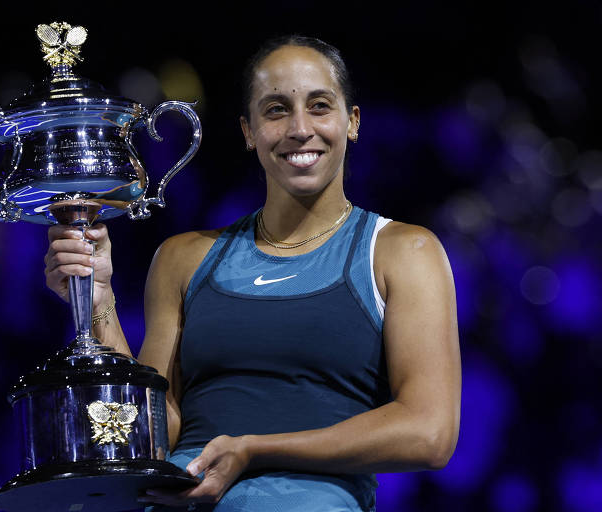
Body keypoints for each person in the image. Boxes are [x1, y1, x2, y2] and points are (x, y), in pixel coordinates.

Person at [44, 35, 461, 511]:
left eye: (320, 106)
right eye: (276, 109)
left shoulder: (403, 252)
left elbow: (430, 433)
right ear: (248, 130)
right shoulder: (184, 258)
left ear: (353, 122)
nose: (300, 128)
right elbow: (149, 436)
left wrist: (253, 449)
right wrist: (99, 300)